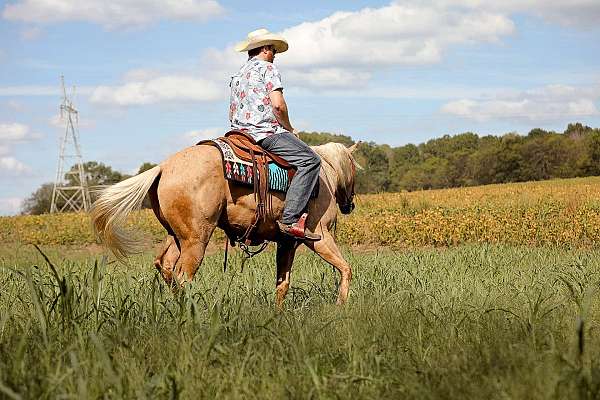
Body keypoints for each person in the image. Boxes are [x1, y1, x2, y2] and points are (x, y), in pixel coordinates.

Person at [230, 28, 321, 240]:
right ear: (264, 49)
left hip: (238, 135)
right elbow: (278, 106)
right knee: (310, 161)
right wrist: (289, 128)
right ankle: (290, 220)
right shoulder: (267, 69)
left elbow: (231, 110)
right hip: (264, 132)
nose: (275, 55)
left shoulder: (238, 75)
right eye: (273, 50)